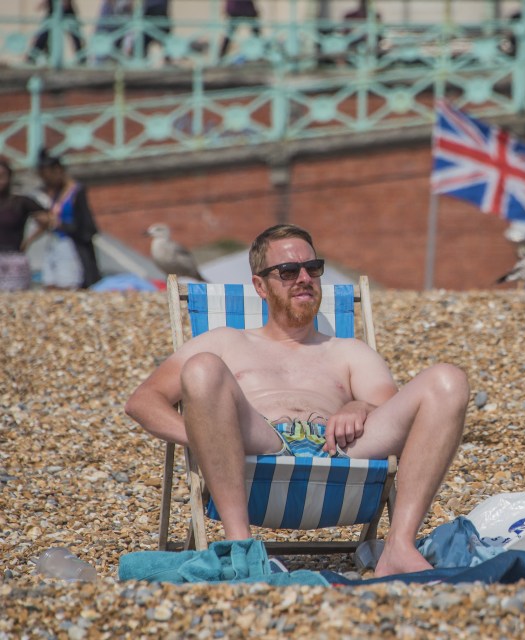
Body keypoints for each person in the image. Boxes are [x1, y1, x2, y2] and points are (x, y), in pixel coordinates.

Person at [125, 223, 470, 577]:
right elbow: (143, 401)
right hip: (260, 441)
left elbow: (391, 408)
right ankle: (240, 549)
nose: (304, 278)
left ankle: (398, 546)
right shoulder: (226, 341)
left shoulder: (348, 351)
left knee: (448, 380)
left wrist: (359, 406)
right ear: (260, 285)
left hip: (339, 448)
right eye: (288, 271)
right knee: (202, 368)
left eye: (313, 268)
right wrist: (208, 436)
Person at [35, 150, 102, 289]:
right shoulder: (55, 193)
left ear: (57, 170)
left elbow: (85, 225)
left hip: (73, 247)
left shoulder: (76, 192)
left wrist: (59, 224)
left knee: (68, 285)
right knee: (50, 284)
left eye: (47, 176)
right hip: (54, 244)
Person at [0, 157, 48, 291]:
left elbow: (47, 219)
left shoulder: (20, 201)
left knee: (15, 302)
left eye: (3, 176)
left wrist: (29, 240)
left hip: (14, 258)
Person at [27, 0, 87, 65]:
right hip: (55, 12)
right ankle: (33, 56)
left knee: (75, 35)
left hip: (64, 12)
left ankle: (81, 58)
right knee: (44, 35)